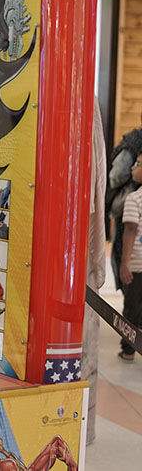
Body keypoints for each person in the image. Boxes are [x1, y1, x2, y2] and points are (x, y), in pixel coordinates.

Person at [107, 113, 142, 290]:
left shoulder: (133, 142)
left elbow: (116, 176)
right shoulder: (133, 143)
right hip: (127, 211)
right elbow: (117, 175)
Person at [118, 152, 142, 362]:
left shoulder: (134, 199)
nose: (133, 167)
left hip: (136, 265)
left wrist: (124, 262)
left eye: (138, 164)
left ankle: (128, 350)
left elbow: (131, 230)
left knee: (132, 308)